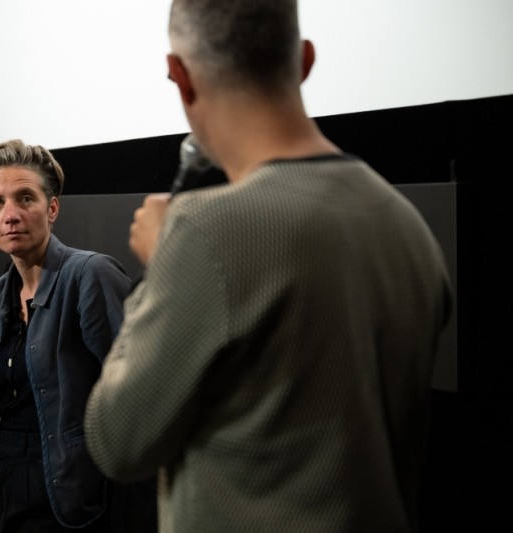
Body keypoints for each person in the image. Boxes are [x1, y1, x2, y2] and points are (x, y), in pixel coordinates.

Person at [84, 1, 453, 532]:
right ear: (304, 60)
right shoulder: (406, 225)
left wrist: (161, 268)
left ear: (179, 76)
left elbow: (116, 442)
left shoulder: (203, 232)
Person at [0, 140, 154, 532]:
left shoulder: (89, 275)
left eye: (25, 198)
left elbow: (139, 393)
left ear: (52, 208)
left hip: (60, 488)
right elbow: (6, 397)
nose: (11, 215)